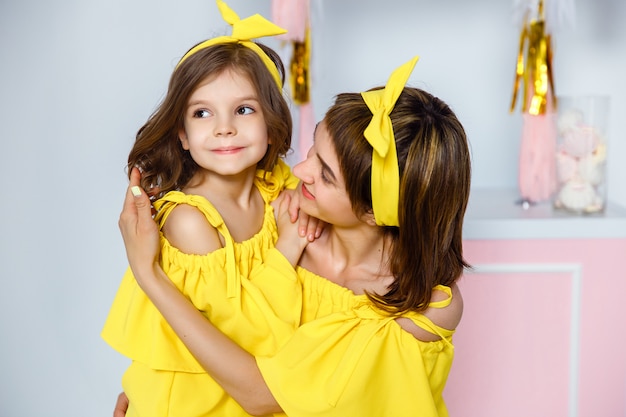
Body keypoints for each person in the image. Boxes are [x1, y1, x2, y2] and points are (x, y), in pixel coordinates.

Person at [116, 56, 471, 417]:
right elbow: (208, 322)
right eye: (313, 150)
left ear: (374, 212)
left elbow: (262, 394)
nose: (300, 170)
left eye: (327, 175)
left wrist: (149, 273)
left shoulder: (420, 312)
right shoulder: (278, 211)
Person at [102, 2, 321, 416]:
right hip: (197, 405)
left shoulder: (276, 185)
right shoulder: (191, 220)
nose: (225, 127)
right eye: (203, 113)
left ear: (271, 123)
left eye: (244, 109)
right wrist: (288, 248)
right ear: (182, 134)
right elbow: (245, 335)